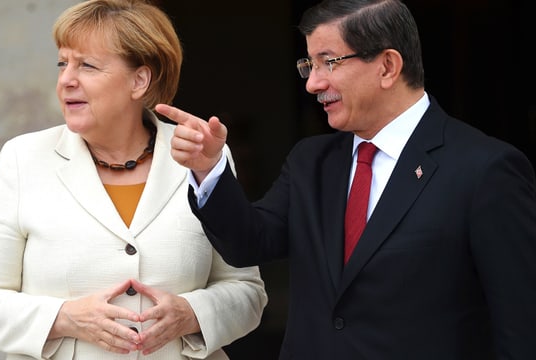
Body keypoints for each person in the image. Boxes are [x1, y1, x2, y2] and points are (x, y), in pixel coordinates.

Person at [155, 0, 536, 358]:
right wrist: (209, 168)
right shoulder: (311, 162)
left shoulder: (485, 169)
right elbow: (248, 243)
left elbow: (519, 326)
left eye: (328, 62)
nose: (313, 84)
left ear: (387, 66)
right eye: (309, 65)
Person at [0, 1, 267, 359]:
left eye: (87, 65)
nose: (67, 79)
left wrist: (192, 314)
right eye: (63, 63)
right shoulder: (22, 158)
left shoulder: (201, 157)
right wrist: (64, 318)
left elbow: (247, 292)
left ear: (139, 80)